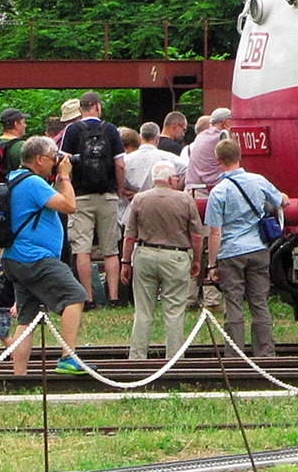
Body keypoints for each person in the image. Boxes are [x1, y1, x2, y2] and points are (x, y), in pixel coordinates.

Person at [2, 136, 90, 376]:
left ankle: (19, 375)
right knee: (75, 296)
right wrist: (64, 176)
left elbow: (53, 202)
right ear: (39, 159)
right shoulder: (32, 183)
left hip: (17, 257)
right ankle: (68, 358)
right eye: (53, 159)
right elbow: (70, 205)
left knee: (26, 320)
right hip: (35, 257)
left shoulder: (15, 179)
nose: (56, 163)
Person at [202, 137, 284, 358]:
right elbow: (280, 200)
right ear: (239, 157)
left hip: (231, 254)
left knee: (234, 304)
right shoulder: (259, 181)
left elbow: (215, 232)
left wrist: (212, 264)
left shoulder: (219, 192)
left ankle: (235, 355)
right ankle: (265, 353)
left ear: (219, 160)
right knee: (259, 303)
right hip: (258, 249)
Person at [121, 160, 204, 361]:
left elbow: (129, 235)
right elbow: (197, 236)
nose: (177, 180)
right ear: (169, 179)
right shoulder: (185, 200)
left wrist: (125, 261)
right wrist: (197, 260)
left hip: (145, 255)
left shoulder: (139, 199)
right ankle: (174, 359)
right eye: (175, 178)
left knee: (143, 311)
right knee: (175, 311)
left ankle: (137, 358)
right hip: (176, 257)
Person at [55, 93, 127, 307]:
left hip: (80, 196)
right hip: (107, 195)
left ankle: (88, 298)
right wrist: (119, 190)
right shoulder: (111, 130)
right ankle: (114, 298)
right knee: (110, 249)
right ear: (97, 106)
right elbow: (120, 164)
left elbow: (63, 162)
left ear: (81, 109)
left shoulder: (72, 130)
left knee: (82, 249)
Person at [118, 123, 172, 232]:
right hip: (158, 209)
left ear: (140, 137)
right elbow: (186, 169)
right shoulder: (168, 158)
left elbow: (115, 170)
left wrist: (121, 188)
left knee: (128, 238)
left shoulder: (125, 160)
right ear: (157, 139)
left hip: (128, 211)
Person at [185, 107, 232, 194]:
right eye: (232, 122)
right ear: (225, 122)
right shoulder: (221, 138)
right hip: (208, 192)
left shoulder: (201, 136)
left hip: (191, 189)